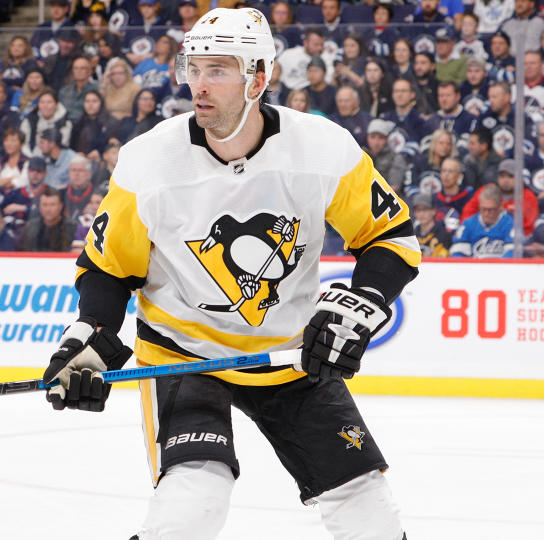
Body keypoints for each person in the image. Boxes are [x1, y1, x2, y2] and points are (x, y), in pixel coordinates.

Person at [39, 9, 420, 540]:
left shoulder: (323, 149)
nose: (199, 84)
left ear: (258, 78)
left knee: (366, 508)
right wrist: (88, 336)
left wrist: (361, 303)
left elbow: (391, 237)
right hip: (183, 352)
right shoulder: (148, 162)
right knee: (196, 497)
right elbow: (108, 269)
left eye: (217, 69)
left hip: (290, 353)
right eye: (192, 68)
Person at [461, 158, 539, 236]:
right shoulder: (486, 190)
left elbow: (528, 227)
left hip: (513, 239)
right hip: (481, 235)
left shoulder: (528, 196)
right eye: (502, 176)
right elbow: (467, 214)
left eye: (510, 176)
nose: (505, 180)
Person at [450, 183, 514, 258]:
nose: (486, 213)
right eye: (483, 209)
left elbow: (512, 252)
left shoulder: (509, 223)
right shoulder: (468, 225)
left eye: (491, 210)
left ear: (500, 207)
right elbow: (457, 253)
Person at [16, 187, 75, 252]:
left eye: (52, 205)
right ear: (39, 207)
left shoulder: (72, 228)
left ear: (60, 206)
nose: (48, 209)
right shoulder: (30, 228)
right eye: (44, 205)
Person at [2, 156, 48, 230]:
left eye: (39, 171)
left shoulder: (50, 193)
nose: (35, 174)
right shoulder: (15, 193)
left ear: (45, 173)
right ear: (27, 172)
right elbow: (1, 210)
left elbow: (47, 213)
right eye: (32, 170)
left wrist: (22, 208)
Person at [364, 119, 408, 194]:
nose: (376, 142)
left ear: (387, 139)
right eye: (373, 137)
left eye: (381, 138)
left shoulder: (396, 158)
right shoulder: (362, 155)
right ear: (367, 138)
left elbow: (393, 188)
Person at [413, 193, 451, 257]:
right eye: (418, 210)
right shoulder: (412, 235)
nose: (421, 214)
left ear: (433, 211)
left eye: (425, 209)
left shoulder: (444, 236)